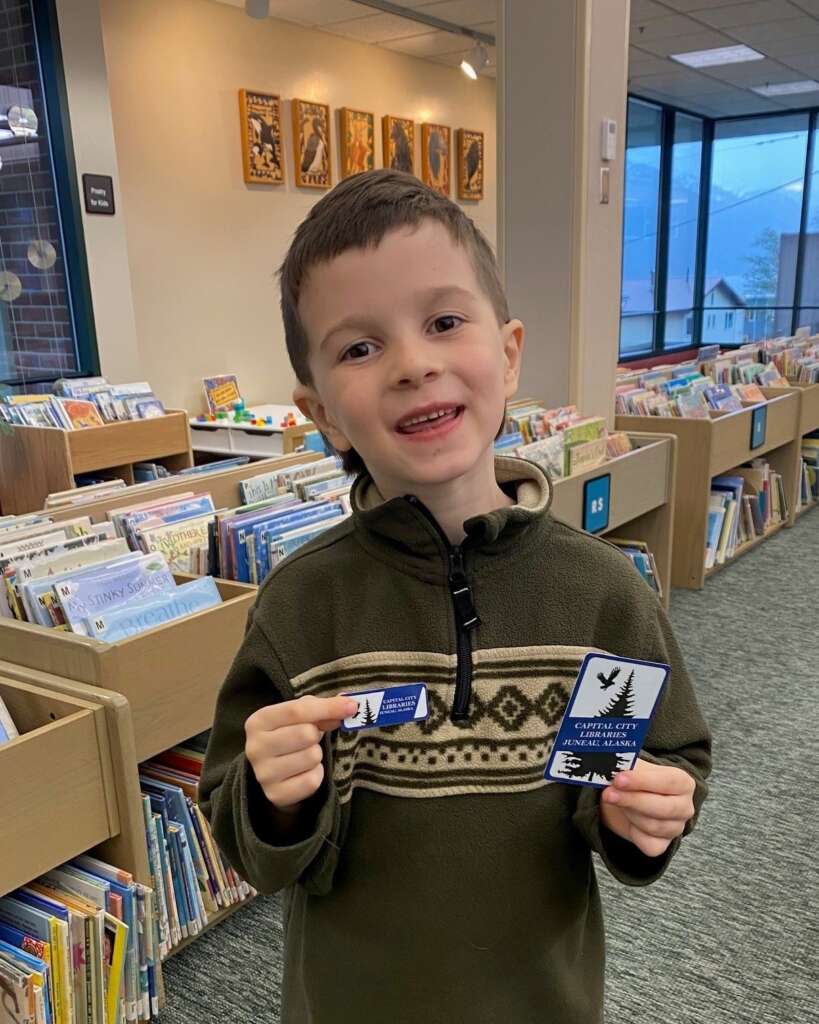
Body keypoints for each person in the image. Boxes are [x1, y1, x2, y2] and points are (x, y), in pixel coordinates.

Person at [199, 169, 711, 1024]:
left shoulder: (597, 595)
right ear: (320, 411)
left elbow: (629, 774)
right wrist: (274, 796)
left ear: (508, 354)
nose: (413, 363)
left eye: (442, 321)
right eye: (359, 347)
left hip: (540, 1000)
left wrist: (642, 808)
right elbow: (246, 831)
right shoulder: (302, 604)